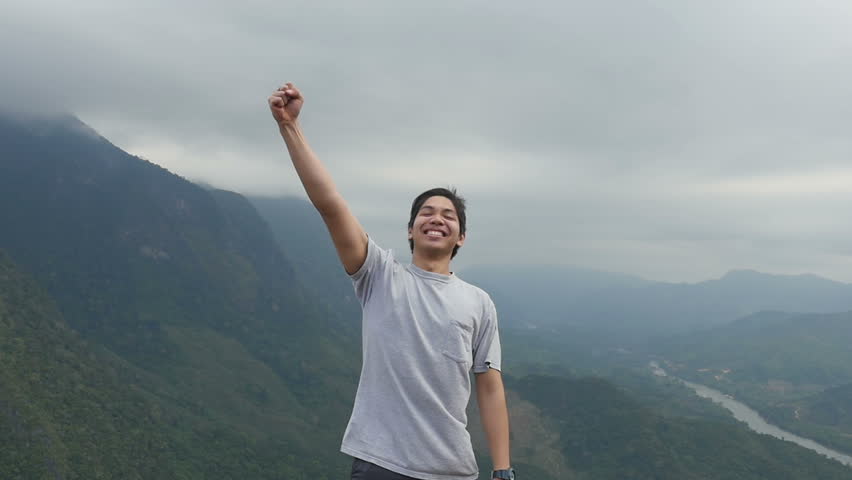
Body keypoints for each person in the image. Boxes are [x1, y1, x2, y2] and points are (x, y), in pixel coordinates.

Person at [268, 83, 513, 480]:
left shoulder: (479, 302)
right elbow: (330, 204)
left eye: (449, 215)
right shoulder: (380, 276)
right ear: (410, 230)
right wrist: (290, 127)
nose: (437, 218)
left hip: (453, 469)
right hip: (381, 463)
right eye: (426, 212)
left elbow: (489, 385)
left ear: (461, 237)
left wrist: (503, 469)